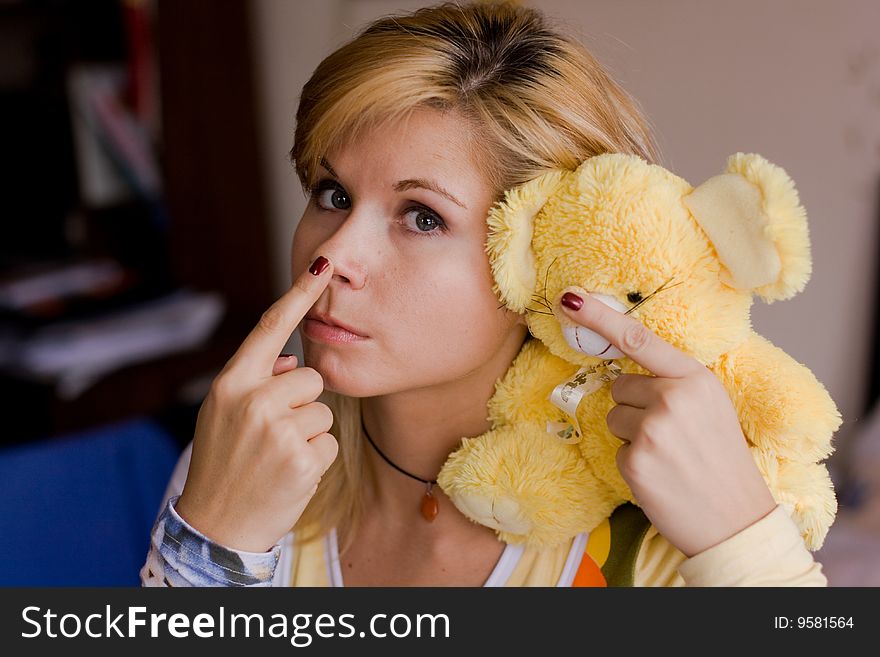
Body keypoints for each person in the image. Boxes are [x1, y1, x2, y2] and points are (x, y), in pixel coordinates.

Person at [141, 1, 827, 587]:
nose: (333, 253)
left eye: (422, 216)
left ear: (542, 257)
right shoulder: (240, 464)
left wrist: (745, 540)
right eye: (333, 193)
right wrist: (211, 547)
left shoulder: (658, 539)